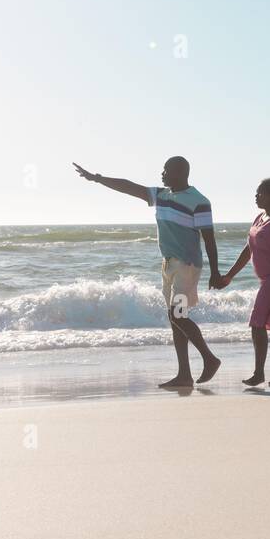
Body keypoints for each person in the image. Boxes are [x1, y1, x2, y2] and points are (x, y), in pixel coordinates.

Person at [73, 156, 222, 386]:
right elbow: (129, 186)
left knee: (177, 315)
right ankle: (184, 375)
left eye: (166, 170)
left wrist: (215, 272)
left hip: (187, 266)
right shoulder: (161, 196)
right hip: (168, 265)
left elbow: (209, 239)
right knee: (175, 320)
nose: (162, 174)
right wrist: (97, 179)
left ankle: (209, 359)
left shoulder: (199, 201)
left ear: (181, 173)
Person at [215, 177, 270, 388]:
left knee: (256, 323)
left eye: (260, 193)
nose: (256, 196)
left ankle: (259, 373)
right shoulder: (260, 217)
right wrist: (229, 276)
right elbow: (248, 250)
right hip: (267, 279)